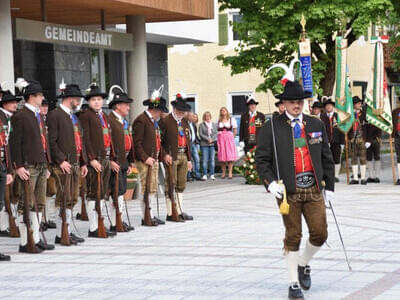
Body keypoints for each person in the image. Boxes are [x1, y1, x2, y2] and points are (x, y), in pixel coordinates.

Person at [256, 80, 334, 300]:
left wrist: (330, 185)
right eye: (292, 102)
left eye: (299, 101)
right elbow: (262, 159)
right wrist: (269, 182)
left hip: (314, 187)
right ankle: (293, 283)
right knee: (293, 235)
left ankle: (303, 263)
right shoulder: (272, 126)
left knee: (320, 233)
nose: (296, 105)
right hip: (288, 191)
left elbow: (326, 156)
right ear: (284, 103)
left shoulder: (315, 124)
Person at [10, 79, 55, 253]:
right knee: (26, 203)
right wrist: (18, 165)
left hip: (41, 164)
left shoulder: (38, 115)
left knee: (39, 203)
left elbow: (44, 142)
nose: (42, 98)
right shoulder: (20, 116)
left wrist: (47, 163)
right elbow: (14, 143)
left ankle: (35, 238)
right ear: (31, 97)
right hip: (28, 165)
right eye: (40, 95)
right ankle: (24, 241)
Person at [47, 83, 88, 245]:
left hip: (75, 162)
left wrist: (83, 161)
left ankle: (68, 231)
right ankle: (60, 233)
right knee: (62, 198)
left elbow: (80, 140)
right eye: (77, 99)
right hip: (63, 164)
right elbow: (52, 141)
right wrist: (61, 160)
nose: (78, 102)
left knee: (71, 198)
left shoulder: (74, 116)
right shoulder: (55, 115)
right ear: (69, 99)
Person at [79, 83, 116, 237]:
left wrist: (112, 158)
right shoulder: (85, 116)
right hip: (95, 160)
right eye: (93, 99)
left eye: (99, 99)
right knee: (94, 192)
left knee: (102, 192)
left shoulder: (104, 116)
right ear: (89, 101)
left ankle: (100, 222)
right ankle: (93, 227)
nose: (96, 102)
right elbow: (84, 140)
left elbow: (110, 138)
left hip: (106, 158)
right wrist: (91, 159)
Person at [133, 86, 169, 226]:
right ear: (155, 110)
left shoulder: (152, 122)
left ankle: (150, 214)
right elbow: (137, 143)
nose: (161, 114)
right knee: (146, 187)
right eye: (160, 111)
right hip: (145, 160)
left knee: (152, 187)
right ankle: (146, 216)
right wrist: (145, 157)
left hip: (153, 159)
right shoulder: (141, 120)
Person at [160, 92, 193, 221]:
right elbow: (159, 142)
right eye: (179, 110)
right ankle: (170, 212)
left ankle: (179, 210)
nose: (181, 113)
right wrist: (164, 155)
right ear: (174, 109)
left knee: (181, 184)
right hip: (171, 156)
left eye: (183, 111)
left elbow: (188, 141)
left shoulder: (184, 122)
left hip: (183, 154)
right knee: (170, 183)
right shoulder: (165, 121)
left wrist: (189, 159)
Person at [107, 86, 135, 232]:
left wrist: (129, 161)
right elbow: (107, 142)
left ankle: (120, 220)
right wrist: (110, 160)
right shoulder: (109, 120)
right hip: (115, 161)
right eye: (126, 105)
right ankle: (114, 222)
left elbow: (128, 141)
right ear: (118, 106)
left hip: (123, 160)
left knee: (121, 191)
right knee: (115, 192)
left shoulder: (123, 121)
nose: (128, 108)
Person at [0, 87, 20, 239]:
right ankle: (4, 225)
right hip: (5, 162)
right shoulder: (1, 117)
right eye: (11, 102)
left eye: (15, 102)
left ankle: (11, 223)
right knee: (4, 197)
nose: (15, 105)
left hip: (12, 161)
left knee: (13, 195)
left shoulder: (12, 117)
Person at [40, 98, 57, 231]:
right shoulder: (36, 119)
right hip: (40, 160)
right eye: (42, 106)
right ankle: (39, 220)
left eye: (46, 106)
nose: (45, 108)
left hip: (49, 159)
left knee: (50, 191)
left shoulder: (48, 120)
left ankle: (47, 218)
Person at [320, 97, 345, 182]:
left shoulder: (338, 117)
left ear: (333, 107)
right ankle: (327, 175)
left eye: (330, 106)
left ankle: (336, 175)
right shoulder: (322, 117)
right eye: (327, 106)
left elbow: (342, 130)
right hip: (326, 142)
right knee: (326, 159)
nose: (328, 107)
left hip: (336, 141)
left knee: (336, 158)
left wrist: (342, 143)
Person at [348, 96, 368, 185]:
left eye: (360, 103)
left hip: (362, 138)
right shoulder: (349, 114)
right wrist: (348, 137)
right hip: (352, 139)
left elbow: (368, 127)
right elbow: (346, 127)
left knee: (363, 158)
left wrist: (368, 139)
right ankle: (355, 178)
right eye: (358, 103)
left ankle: (363, 178)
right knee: (354, 158)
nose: (360, 105)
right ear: (354, 105)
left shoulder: (364, 114)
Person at [217, 107, 238, 179]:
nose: (223, 111)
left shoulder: (231, 119)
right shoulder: (219, 120)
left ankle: (230, 173)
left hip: (229, 138)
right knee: (222, 156)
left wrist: (233, 137)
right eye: (222, 110)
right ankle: (223, 173)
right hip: (221, 139)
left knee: (229, 156)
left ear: (227, 111)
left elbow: (235, 129)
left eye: (224, 110)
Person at [198, 111, 218, 181]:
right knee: (205, 160)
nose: (207, 117)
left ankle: (212, 174)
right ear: (204, 117)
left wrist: (212, 140)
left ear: (210, 116)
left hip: (212, 144)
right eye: (206, 116)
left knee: (212, 160)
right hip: (204, 144)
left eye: (208, 116)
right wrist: (207, 139)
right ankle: (204, 174)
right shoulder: (201, 125)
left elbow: (216, 133)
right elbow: (200, 134)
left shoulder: (214, 124)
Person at [187, 112, 201, 181]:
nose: (193, 117)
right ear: (188, 116)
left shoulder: (193, 124)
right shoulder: (185, 124)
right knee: (188, 160)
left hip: (194, 143)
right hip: (188, 144)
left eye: (193, 116)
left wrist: (198, 141)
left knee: (197, 159)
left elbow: (194, 134)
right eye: (192, 116)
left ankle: (197, 175)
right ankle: (188, 176)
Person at [392, 105, 400, 185]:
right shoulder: (395, 111)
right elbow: (390, 124)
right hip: (397, 136)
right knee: (399, 157)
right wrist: (391, 135)